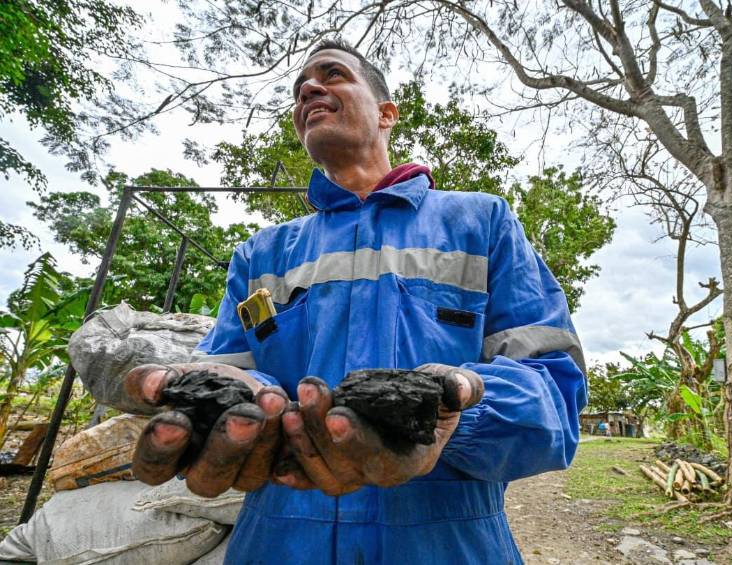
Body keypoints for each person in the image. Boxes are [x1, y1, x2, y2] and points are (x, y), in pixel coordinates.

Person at [124, 39, 587, 564]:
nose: (308, 90)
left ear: (387, 113)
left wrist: (448, 418)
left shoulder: (482, 223)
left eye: (332, 75)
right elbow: (233, 372)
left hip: (446, 543)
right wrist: (225, 410)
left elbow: (555, 392)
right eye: (299, 91)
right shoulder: (261, 255)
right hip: (277, 542)